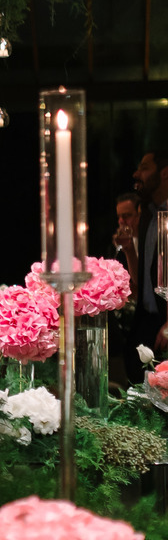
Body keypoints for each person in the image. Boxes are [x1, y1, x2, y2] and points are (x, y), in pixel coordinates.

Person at [123, 151, 168, 379]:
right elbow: (145, 281)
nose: (136, 174)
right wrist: (130, 249)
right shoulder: (149, 216)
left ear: (165, 174)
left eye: (145, 168)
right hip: (148, 321)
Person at [113, 190, 140, 292]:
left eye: (126, 215)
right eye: (119, 216)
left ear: (139, 215)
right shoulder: (120, 244)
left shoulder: (151, 241)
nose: (121, 221)